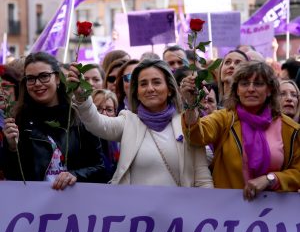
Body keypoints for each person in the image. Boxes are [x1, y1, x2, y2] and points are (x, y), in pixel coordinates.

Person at [68, 59, 213, 187]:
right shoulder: (128, 122)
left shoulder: (189, 124)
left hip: (178, 215)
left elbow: (202, 179)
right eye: (143, 84)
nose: (150, 88)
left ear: (169, 90)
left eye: (156, 82)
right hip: (136, 215)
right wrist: (82, 96)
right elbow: (97, 123)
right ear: (137, 92)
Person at [180, 61, 300, 200]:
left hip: (273, 216)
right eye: (244, 84)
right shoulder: (225, 119)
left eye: (258, 84)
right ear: (237, 90)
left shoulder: (290, 128)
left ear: (270, 90)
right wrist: (190, 105)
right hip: (229, 213)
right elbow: (195, 135)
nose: (250, 89)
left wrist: (271, 179)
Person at [3, 52, 108, 189]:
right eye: (31, 79)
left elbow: (101, 168)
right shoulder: (18, 120)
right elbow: (12, 178)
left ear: (58, 78)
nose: (37, 83)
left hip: (78, 205)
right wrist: (11, 149)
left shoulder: (79, 117)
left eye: (44, 76)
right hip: (35, 207)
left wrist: (76, 175)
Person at [92, 89, 120, 179]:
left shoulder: (122, 140)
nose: (104, 114)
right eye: (98, 109)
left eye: (109, 109)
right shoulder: (81, 139)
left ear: (115, 113)